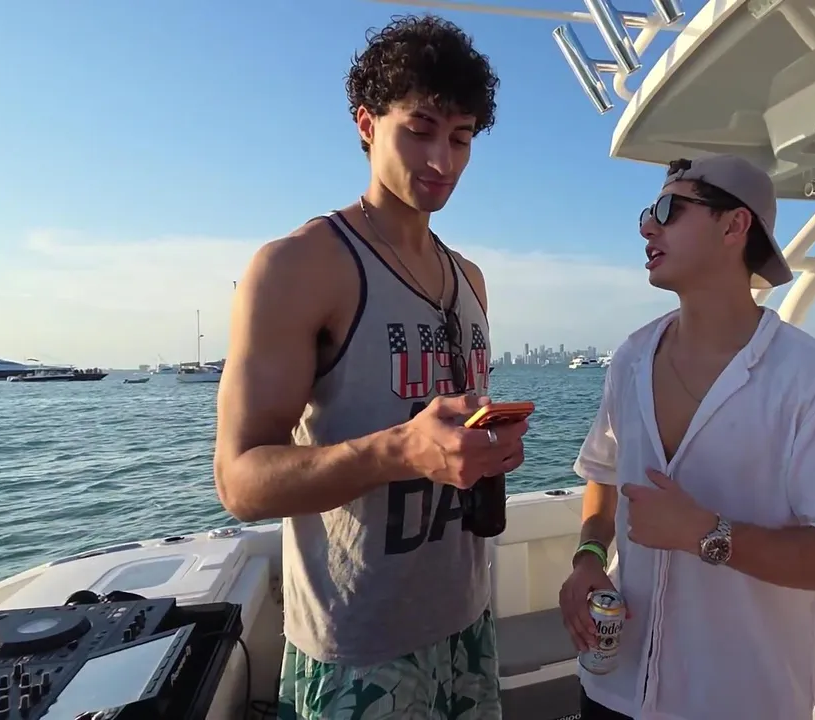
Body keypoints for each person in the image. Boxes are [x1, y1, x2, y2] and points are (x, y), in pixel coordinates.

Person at [212, 15, 525, 720]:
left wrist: (486, 447)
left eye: (461, 138)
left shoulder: (470, 280)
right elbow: (240, 481)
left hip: (468, 620)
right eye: (420, 129)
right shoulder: (299, 267)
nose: (442, 160)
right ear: (366, 123)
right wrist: (400, 450)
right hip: (358, 645)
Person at [557, 154, 815, 720]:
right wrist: (589, 557)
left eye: (668, 210)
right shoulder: (630, 358)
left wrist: (705, 534)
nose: (647, 227)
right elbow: (604, 473)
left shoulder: (813, 379)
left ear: (734, 225)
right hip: (614, 686)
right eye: (647, 213)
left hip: (743, 698)